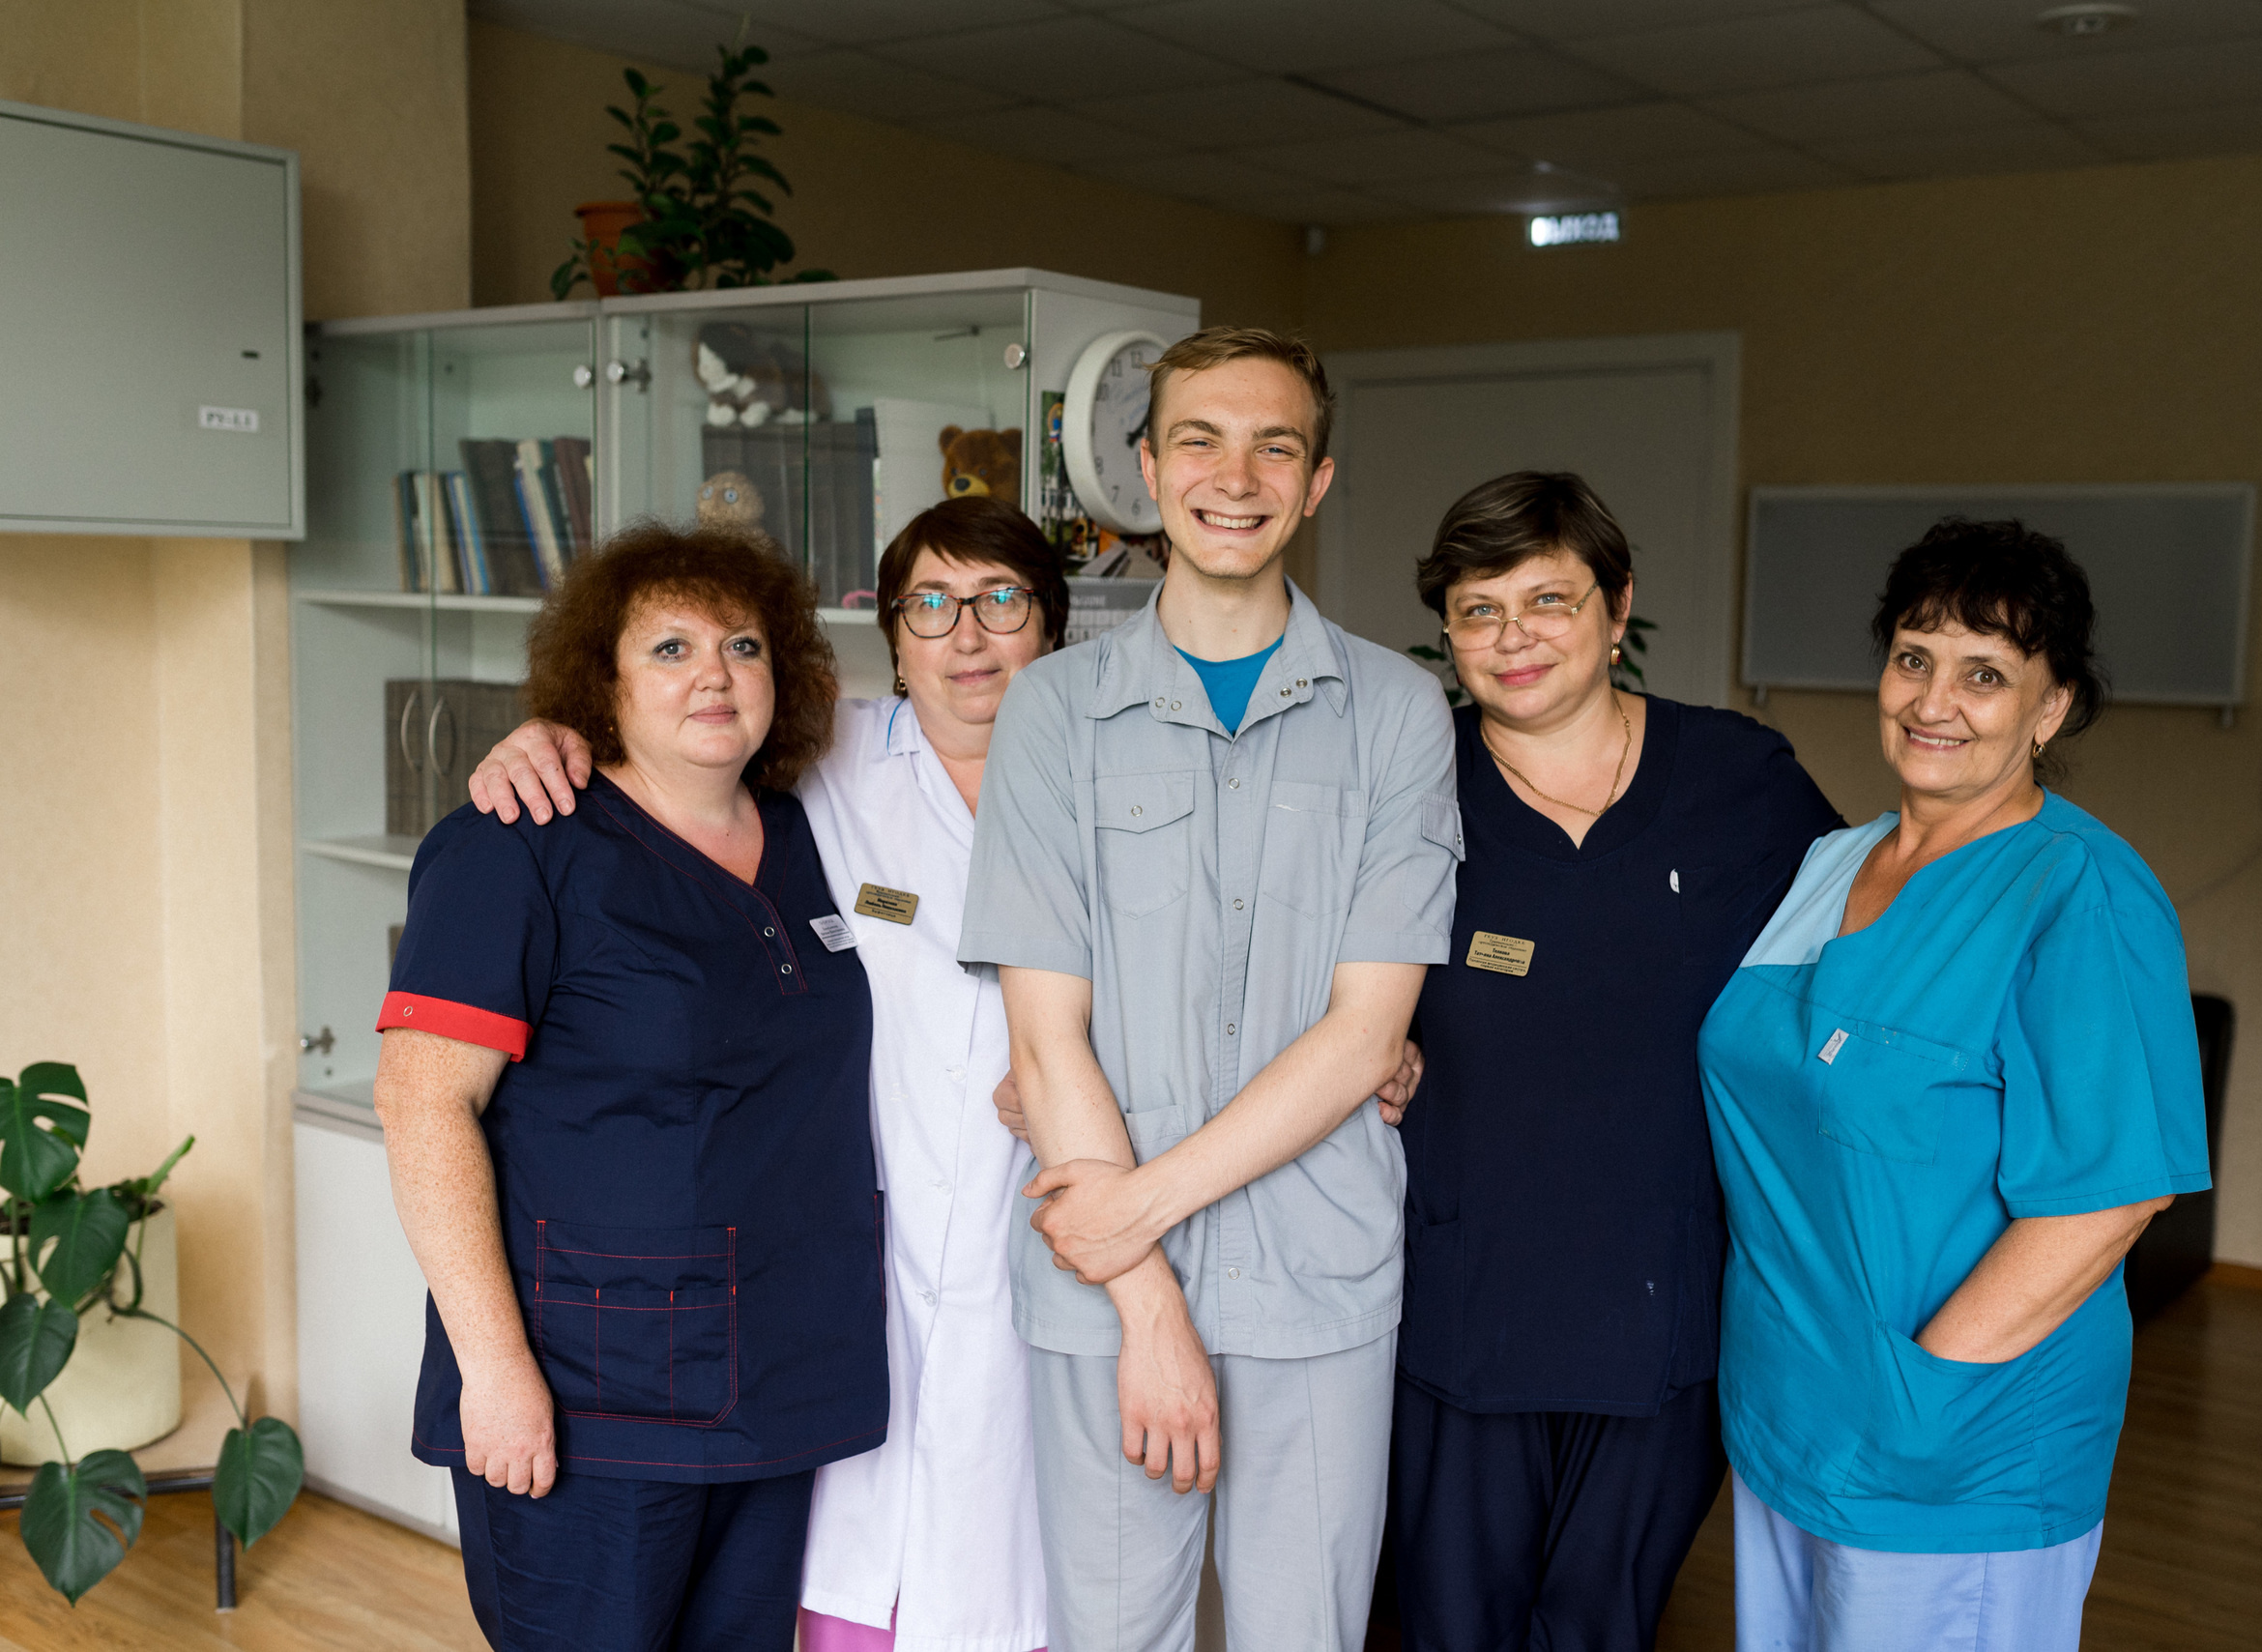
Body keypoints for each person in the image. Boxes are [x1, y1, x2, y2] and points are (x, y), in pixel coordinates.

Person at [465, 495, 1073, 1652]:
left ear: (1051, 623)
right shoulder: (830, 759)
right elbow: (669, 735)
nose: (967, 634)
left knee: (1013, 1576)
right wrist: (545, 732)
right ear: (889, 633)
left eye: (1002, 599)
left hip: (1002, 1255)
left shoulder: (1117, 782)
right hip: (820, 1289)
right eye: (930, 603)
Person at [958, 326, 1461, 1652]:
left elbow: (1367, 1033)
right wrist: (1146, 1296)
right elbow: (1045, 1040)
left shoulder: (1396, 713)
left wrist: (1133, 1210)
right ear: (1147, 467)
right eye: (1200, 440)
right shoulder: (1053, 710)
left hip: (1318, 1279)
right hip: (1101, 1295)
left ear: (1317, 481)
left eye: (1273, 447)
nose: (1235, 477)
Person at [1697, 518, 2213, 1651]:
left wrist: (1915, 1396)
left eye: (1985, 673)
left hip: (1951, 1448)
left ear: (2049, 706)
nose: (1934, 700)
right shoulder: (1830, 862)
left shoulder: (2076, 890)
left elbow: (2109, 1197)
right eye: (1913, 657)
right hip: (1790, 1411)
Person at [373, 523, 885, 1652]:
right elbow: (420, 1104)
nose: (715, 674)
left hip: (776, 1379)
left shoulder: (811, 833)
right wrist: (494, 1369)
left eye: (744, 645)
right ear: (599, 681)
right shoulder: (517, 844)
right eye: (669, 648)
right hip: (589, 1392)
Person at [1386, 472, 1842, 1650]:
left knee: (1603, 1624)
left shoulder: (1740, 780)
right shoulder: (1403, 783)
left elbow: (1858, 968)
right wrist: (1369, 1048)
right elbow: (1296, 967)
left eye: (1548, 598)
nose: (1513, 637)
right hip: (1462, 1299)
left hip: (1664, 1306)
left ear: (1617, 603)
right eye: (1478, 610)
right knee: (1452, 1626)